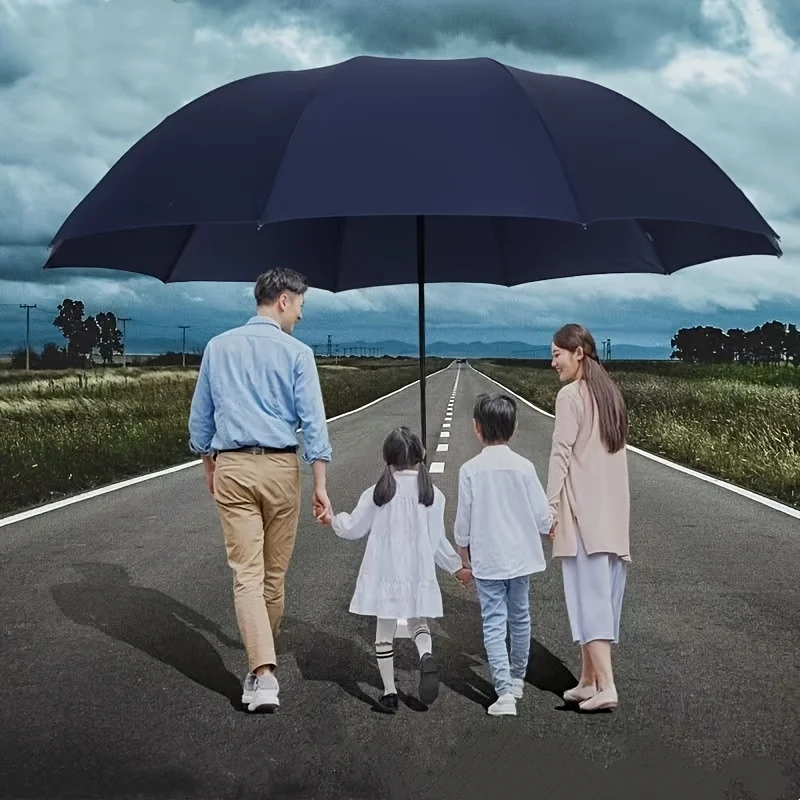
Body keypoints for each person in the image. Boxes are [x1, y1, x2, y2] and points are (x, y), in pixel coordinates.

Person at [188, 267, 333, 713]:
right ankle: (263, 672)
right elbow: (313, 423)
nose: (301, 318)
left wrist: (209, 463)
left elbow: (200, 421)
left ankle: (261, 673)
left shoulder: (217, 347)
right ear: (284, 300)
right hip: (281, 468)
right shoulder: (298, 353)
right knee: (272, 575)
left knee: (246, 574)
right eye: (301, 307)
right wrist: (320, 485)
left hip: (231, 465)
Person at [319, 426, 472, 713]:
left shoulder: (377, 493)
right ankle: (425, 654)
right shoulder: (433, 495)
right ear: (420, 455)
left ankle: (389, 692)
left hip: (385, 573)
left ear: (387, 457)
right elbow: (437, 541)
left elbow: (353, 528)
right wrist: (457, 568)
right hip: (417, 571)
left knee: (383, 633)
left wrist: (333, 521)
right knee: (418, 623)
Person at [546, 323, 630, 712]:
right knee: (600, 598)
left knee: (588, 602)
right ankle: (588, 680)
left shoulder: (570, 396)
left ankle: (608, 685)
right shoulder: (609, 393)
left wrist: (549, 507)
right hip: (611, 515)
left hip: (582, 515)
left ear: (578, 352)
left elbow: (560, 453)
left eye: (557, 354)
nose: (553, 362)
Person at [454, 393, 552, 717]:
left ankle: (504, 694)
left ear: (477, 428)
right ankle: (518, 678)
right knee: (520, 617)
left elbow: (463, 523)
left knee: (494, 623)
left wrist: (462, 556)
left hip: (488, 561)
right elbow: (542, 518)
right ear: (514, 428)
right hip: (520, 559)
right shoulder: (524, 467)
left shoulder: (470, 470)